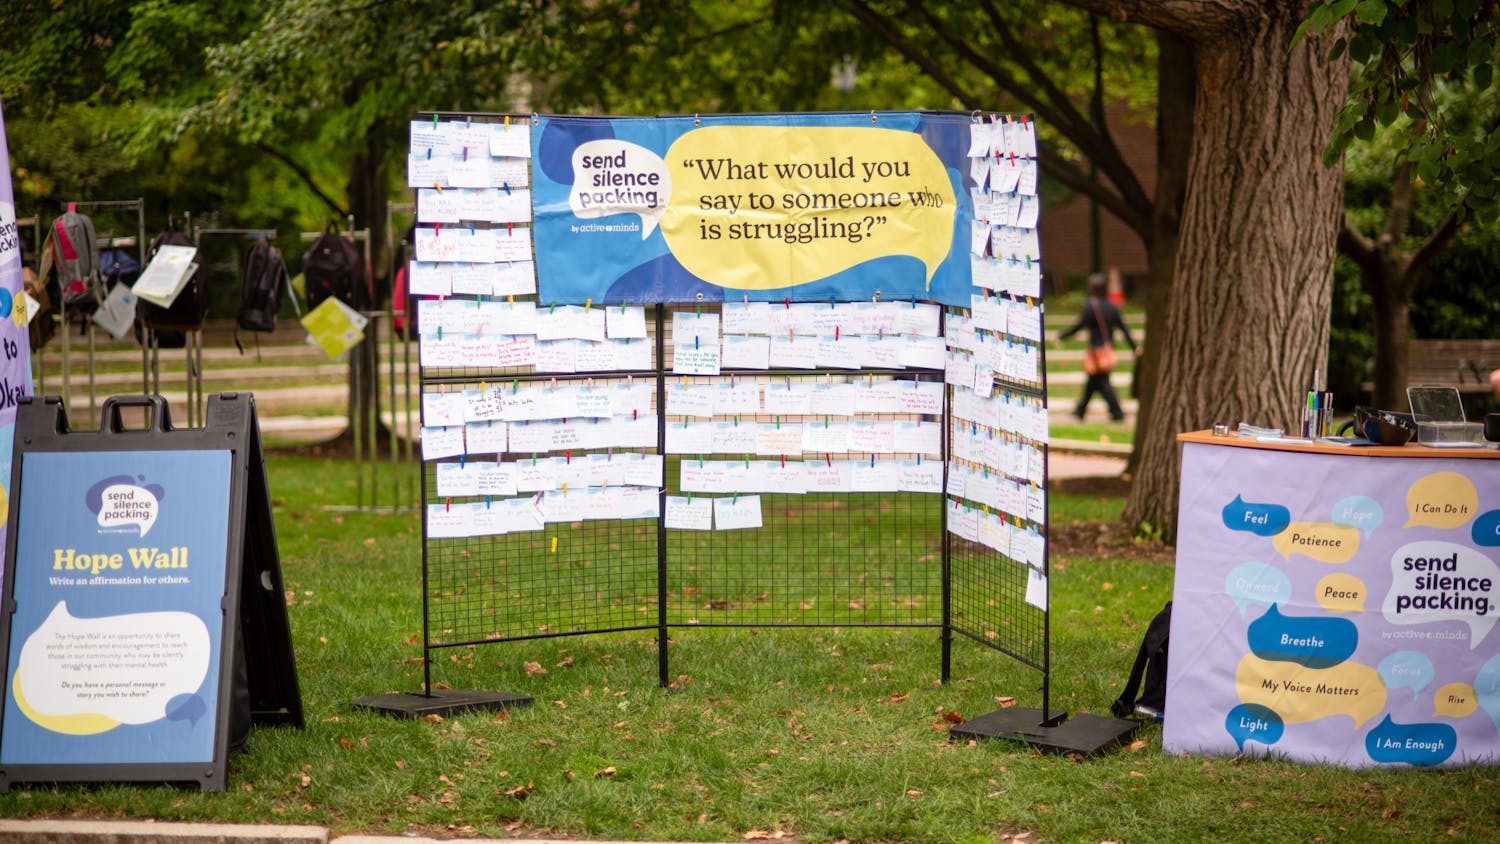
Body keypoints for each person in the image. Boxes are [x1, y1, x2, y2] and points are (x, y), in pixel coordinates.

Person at [1057, 272, 1140, 422]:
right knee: (1096, 382)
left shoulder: (1091, 307)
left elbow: (1079, 326)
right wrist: (1134, 347)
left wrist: (1062, 336)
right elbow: (1124, 328)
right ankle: (1082, 410)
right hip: (1107, 350)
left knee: (1100, 382)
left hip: (1096, 351)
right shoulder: (1112, 308)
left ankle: (1115, 412)